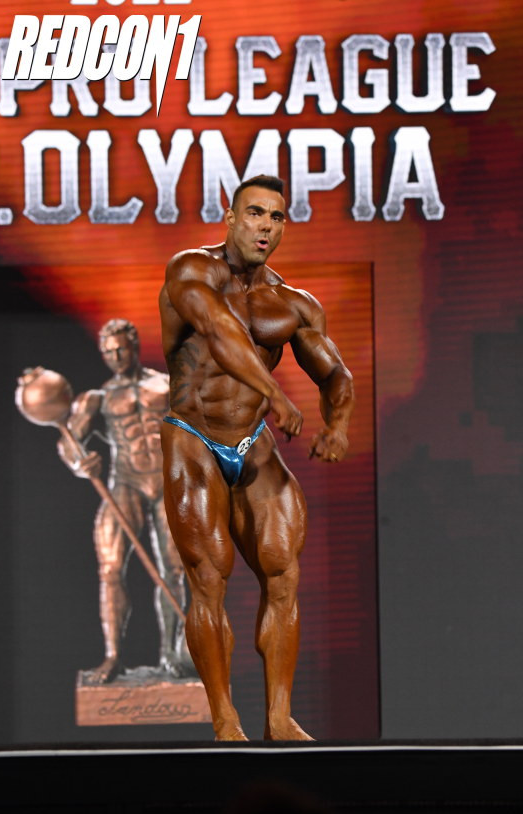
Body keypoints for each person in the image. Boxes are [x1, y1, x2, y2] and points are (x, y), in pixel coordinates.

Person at [159, 174, 354, 741]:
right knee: (209, 575)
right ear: (230, 217)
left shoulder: (294, 304)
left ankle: (279, 718)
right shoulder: (191, 270)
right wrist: (275, 394)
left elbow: (335, 372)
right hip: (192, 433)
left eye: (276, 216)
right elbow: (219, 331)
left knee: (282, 570)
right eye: (255, 213)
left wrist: (338, 426)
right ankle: (225, 720)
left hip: (251, 438)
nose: (265, 226)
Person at [58, 319, 193, 685]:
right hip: (126, 483)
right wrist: (80, 464)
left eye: (121, 348)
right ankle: (113, 656)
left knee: (174, 570)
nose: (116, 356)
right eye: (109, 352)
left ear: (134, 346)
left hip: (167, 481)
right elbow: (69, 443)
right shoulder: (98, 398)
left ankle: (171, 656)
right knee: (110, 567)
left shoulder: (166, 384)